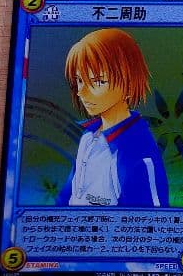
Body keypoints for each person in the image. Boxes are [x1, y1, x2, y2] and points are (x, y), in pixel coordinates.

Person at [57, 28, 168, 207]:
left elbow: (148, 218)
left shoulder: (136, 149)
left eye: (98, 81)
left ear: (128, 83)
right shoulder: (88, 137)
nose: (81, 92)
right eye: (79, 80)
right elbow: (65, 197)